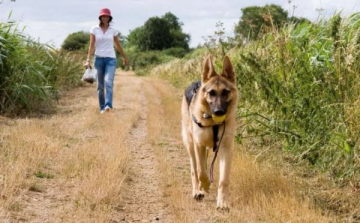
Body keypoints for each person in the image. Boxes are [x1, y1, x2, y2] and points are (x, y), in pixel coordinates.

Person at [85, 8, 128, 114]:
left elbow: (118, 45)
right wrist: (88, 60)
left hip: (111, 59)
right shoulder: (94, 29)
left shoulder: (113, 31)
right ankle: (102, 107)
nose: (105, 18)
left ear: (109, 18)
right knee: (100, 85)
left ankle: (108, 105)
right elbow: (91, 46)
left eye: (107, 16)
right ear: (100, 17)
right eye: (103, 16)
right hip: (98, 59)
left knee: (109, 81)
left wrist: (124, 57)